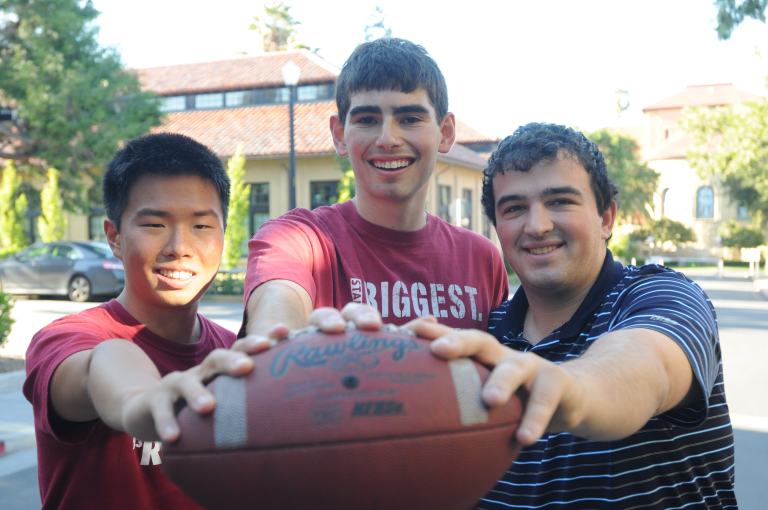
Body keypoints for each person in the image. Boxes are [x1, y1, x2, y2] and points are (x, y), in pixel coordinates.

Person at [402, 122, 736, 508]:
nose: (537, 225)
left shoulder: (662, 294)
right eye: (514, 208)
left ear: (606, 218)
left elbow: (648, 366)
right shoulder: (485, 340)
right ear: (498, 228)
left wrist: (564, 387)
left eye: (560, 201)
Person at [23, 133, 272, 509]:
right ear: (114, 237)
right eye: (155, 225)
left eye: (201, 226)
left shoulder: (232, 353)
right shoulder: (65, 339)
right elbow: (101, 364)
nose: (179, 247)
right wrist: (140, 401)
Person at [240, 38, 508, 339]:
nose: (387, 139)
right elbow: (275, 316)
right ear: (340, 135)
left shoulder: (481, 259)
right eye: (367, 120)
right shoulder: (298, 240)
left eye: (409, 119)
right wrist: (273, 346)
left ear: (445, 133)